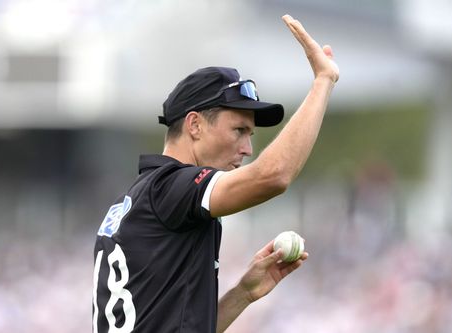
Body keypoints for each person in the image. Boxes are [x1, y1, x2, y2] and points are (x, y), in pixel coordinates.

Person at [92, 14, 339, 333]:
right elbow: (273, 176)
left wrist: (243, 294)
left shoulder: (142, 197)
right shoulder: (172, 189)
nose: (248, 148)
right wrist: (323, 82)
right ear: (194, 125)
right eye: (238, 130)